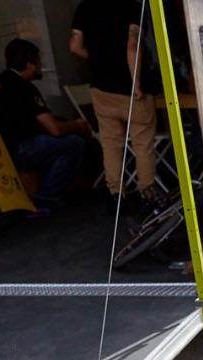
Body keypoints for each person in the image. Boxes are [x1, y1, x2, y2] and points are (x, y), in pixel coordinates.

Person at [0, 39, 91, 214]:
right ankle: (48, 195)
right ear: (29, 65)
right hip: (20, 149)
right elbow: (55, 129)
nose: (41, 66)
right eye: (39, 61)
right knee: (74, 144)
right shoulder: (25, 88)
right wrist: (76, 125)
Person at [70, 0, 158, 215]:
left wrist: (101, 60)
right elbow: (132, 44)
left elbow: (74, 46)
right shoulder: (135, 7)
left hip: (101, 88)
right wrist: (136, 83)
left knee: (110, 144)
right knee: (142, 144)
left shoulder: (84, 7)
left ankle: (117, 195)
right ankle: (147, 195)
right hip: (131, 90)